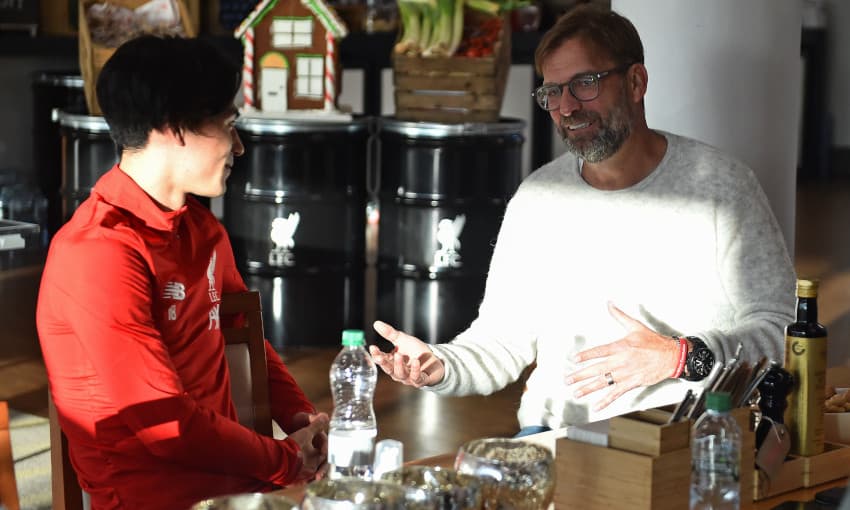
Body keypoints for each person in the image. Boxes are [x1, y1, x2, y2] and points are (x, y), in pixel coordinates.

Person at [369, 5, 796, 434]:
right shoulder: (539, 197)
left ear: (635, 82)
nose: (567, 107)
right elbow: (501, 341)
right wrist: (439, 365)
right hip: (554, 437)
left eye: (584, 84)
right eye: (552, 92)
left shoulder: (722, 188)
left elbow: (783, 331)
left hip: (681, 439)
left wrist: (679, 357)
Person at [36, 35, 328, 509]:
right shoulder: (98, 252)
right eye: (229, 125)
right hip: (157, 499)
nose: (239, 146)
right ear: (175, 129)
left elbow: (243, 334)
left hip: (234, 482)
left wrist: (299, 421)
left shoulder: (201, 231)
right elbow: (166, 426)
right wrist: (285, 461)